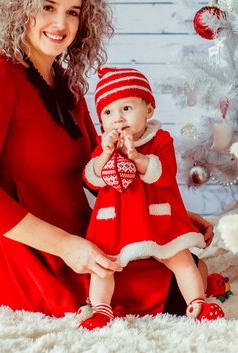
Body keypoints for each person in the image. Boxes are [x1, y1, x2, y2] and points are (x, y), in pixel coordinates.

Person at [0, 0, 213, 318]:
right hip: (32, 257)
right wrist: (66, 247)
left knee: (188, 261)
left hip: (87, 236)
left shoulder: (68, 86)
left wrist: (174, 212)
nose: (61, 23)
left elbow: (102, 172)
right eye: (48, 7)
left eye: (73, 12)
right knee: (178, 284)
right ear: (20, 9)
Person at [78, 67, 225, 329]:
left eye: (126, 108)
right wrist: (105, 156)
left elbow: (165, 174)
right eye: (108, 112)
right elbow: (92, 179)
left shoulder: (159, 139)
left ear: (148, 111)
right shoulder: (104, 147)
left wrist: (136, 157)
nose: (117, 118)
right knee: (104, 267)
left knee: (179, 259)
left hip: (156, 220)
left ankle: (197, 302)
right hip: (117, 223)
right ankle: (101, 309)